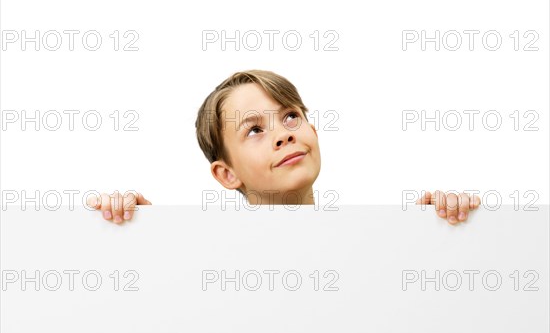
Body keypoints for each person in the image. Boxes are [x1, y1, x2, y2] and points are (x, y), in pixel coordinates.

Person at [88, 69, 480, 224]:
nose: (284, 134)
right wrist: (136, 229)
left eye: (291, 116)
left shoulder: (382, 245)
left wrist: (442, 228)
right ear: (227, 174)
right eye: (255, 130)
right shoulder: (203, 262)